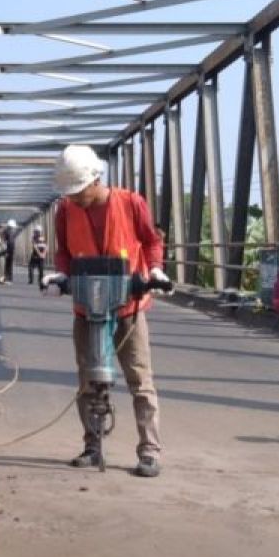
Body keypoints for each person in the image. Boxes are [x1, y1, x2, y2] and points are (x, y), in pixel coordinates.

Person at [50, 144, 170, 478]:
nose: (74, 199)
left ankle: (150, 451)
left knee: (140, 380)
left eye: (78, 191)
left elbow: (152, 241)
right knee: (88, 378)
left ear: (95, 179)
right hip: (86, 308)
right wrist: (62, 274)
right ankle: (92, 445)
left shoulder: (131, 203)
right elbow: (63, 252)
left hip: (127, 307)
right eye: (69, 193)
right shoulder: (65, 211)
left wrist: (155, 271)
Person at [3, 219, 18, 284]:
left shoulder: (7, 232)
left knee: (7, 265)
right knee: (9, 265)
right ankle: (9, 278)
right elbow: (10, 243)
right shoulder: (10, 232)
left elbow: (5, 242)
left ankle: (7, 278)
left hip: (8, 250)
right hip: (9, 250)